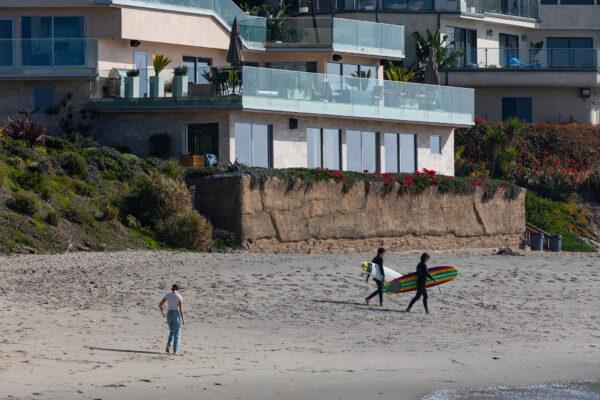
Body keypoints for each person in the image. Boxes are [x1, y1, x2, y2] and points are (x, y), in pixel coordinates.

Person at [159, 284, 185, 354]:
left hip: (169, 314)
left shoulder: (168, 295)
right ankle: (175, 351)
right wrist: (183, 319)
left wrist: (163, 313)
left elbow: (160, 305)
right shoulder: (179, 296)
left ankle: (169, 343)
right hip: (176, 314)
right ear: (178, 289)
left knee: (172, 331)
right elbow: (180, 309)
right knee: (177, 333)